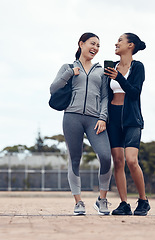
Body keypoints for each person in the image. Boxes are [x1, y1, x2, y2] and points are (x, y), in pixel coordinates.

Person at [50, 32, 112, 215]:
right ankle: (78, 202)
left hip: (95, 119)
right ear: (81, 44)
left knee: (105, 156)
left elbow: (105, 97)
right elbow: (53, 88)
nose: (95, 48)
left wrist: (103, 117)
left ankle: (102, 200)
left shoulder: (101, 71)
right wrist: (70, 74)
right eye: (92, 43)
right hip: (72, 117)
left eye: (98, 46)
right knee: (75, 159)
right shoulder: (67, 67)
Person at [104, 33, 150, 216]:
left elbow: (134, 92)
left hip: (132, 119)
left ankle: (143, 200)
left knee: (131, 160)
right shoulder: (112, 67)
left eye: (120, 41)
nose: (116, 43)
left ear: (130, 45)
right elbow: (106, 94)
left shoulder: (138, 67)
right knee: (118, 161)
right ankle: (124, 203)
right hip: (113, 119)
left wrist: (119, 78)